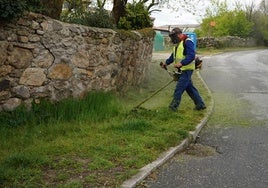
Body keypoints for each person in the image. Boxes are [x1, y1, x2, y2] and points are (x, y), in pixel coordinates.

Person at [161, 27, 206, 111]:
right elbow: (173, 56)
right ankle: (200, 105)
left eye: (174, 37)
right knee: (190, 88)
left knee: (179, 88)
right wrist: (166, 63)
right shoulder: (178, 44)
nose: (172, 39)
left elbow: (191, 55)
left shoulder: (187, 42)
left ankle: (173, 107)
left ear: (179, 34)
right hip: (182, 70)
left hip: (187, 69)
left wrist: (182, 63)